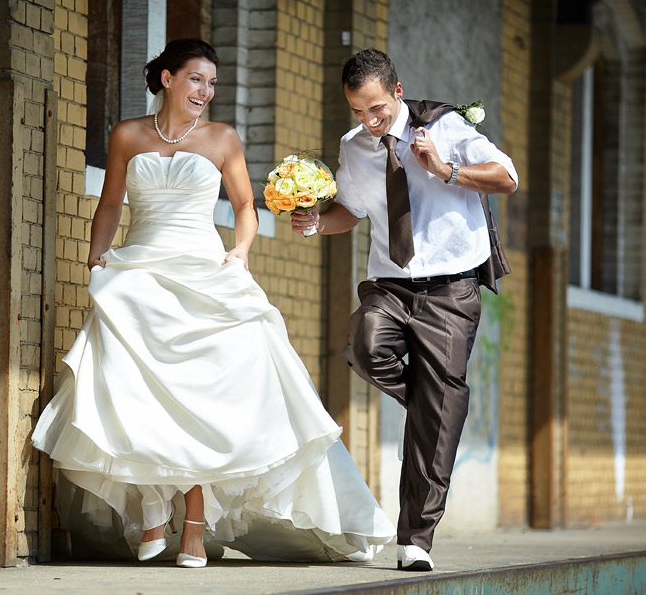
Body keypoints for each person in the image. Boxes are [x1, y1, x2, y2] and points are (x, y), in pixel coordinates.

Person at [32, 39, 395, 568]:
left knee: (204, 397)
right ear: (167, 79)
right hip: (142, 269)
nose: (205, 91)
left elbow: (245, 206)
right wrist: (96, 257)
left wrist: (241, 251)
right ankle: (154, 509)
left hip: (205, 267)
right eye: (196, 79)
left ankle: (195, 524)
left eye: (212, 83)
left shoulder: (223, 138)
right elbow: (111, 202)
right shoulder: (127, 135)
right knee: (137, 391)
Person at [291, 48, 518, 571]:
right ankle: (438, 406)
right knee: (367, 347)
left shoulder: (448, 127)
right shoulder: (355, 147)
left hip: (450, 288)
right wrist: (316, 223)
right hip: (390, 282)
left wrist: (446, 168)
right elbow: (350, 209)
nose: (370, 123)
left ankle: (415, 539)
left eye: (377, 110)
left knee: (435, 419)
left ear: (397, 92)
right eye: (358, 112)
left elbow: (506, 177)